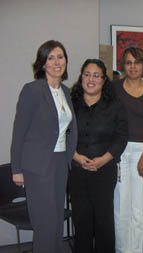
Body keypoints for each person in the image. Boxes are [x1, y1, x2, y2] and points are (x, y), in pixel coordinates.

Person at [10, 40, 77, 253]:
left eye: (61, 57)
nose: (57, 62)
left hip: (59, 163)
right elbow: (19, 131)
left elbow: (67, 129)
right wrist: (17, 169)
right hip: (37, 166)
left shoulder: (66, 92)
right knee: (45, 222)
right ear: (42, 63)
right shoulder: (32, 90)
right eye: (51, 57)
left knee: (57, 219)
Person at [69, 59, 128, 253]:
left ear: (104, 80)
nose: (91, 79)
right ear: (81, 77)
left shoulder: (115, 105)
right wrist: (75, 156)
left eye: (96, 75)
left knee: (104, 220)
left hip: (104, 170)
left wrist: (104, 159)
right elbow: (62, 134)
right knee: (81, 219)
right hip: (76, 171)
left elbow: (121, 137)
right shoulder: (70, 103)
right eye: (87, 74)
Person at [113, 47, 143, 253]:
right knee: (120, 205)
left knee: (139, 208)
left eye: (137, 62)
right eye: (129, 62)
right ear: (123, 66)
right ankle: (121, 249)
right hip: (119, 151)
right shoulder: (114, 87)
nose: (133, 66)